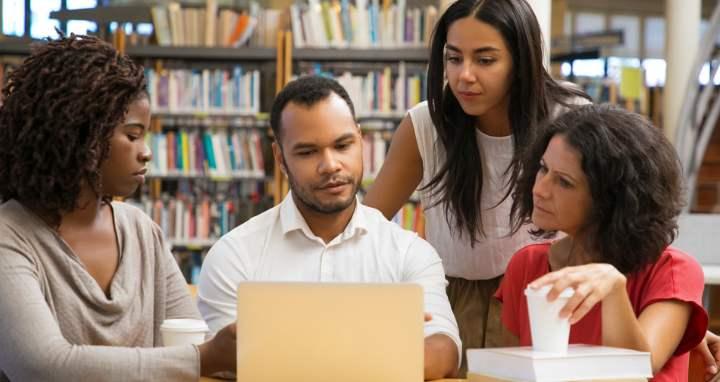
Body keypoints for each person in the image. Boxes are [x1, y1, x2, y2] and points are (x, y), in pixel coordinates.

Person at [362, 0, 589, 372]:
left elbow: (609, 220)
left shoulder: (568, 117)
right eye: (454, 59)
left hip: (546, 300)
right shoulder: (426, 125)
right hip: (451, 304)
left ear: (521, 60)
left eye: (485, 60)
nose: (464, 75)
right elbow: (365, 228)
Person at [0, 34, 235, 381]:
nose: (147, 152)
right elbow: (43, 366)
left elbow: (191, 339)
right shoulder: (10, 237)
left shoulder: (141, 230)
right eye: (132, 134)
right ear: (80, 135)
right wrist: (203, 358)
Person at [197, 75, 461, 380]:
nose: (331, 165)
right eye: (308, 152)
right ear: (280, 158)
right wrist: (383, 351)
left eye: (342, 145)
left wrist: (295, 354)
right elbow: (231, 362)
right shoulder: (234, 256)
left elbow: (444, 351)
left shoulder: (409, 252)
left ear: (360, 141)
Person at [496, 104, 708, 380]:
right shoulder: (527, 265)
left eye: (564, 182)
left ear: (611, 200)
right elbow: (515, 374)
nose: (539, 189)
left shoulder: (672, 270)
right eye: (542, 169)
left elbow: (636, 370)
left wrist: (612, 287)